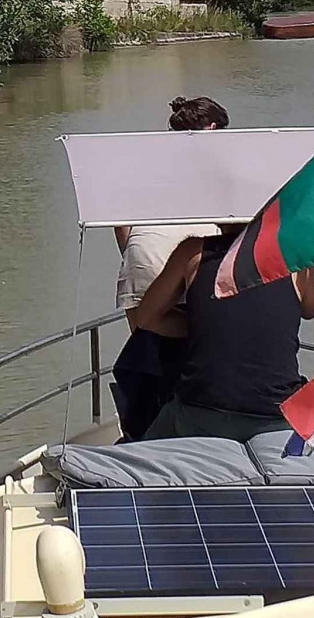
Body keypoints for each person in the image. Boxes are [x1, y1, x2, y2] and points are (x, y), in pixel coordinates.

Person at [130, 226, 314, 443]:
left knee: (147, 444)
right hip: (274, 414)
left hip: (201, 412)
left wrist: (198, 325)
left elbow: (145, 318)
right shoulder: (295, 257)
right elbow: (311, 309)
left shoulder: (194, 252)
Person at [109, 96, 227, 441]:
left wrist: (133, 254)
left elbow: (119, 219)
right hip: (182, 254)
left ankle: (143, 431)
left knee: (148, 349)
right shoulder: (214, 162)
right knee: (202, 345)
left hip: (140, 257)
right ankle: (190, 430)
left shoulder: (151, 162)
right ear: (213, 129)